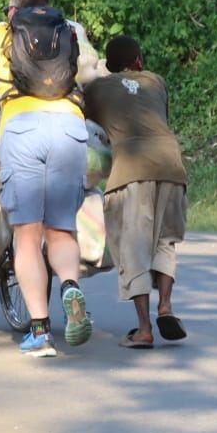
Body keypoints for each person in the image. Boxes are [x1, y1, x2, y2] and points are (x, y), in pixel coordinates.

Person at [0, 0, 91, 358]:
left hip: (23, 129)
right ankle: (70, 287)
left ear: (13, 10)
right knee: (60, 229)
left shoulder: (1, 33)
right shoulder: (67, 32)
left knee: (28, 236)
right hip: (70, 128)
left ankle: (40, 332)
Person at [83, 36, 189, 349]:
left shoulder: (96, 89)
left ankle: (144, 330)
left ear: (109, 65)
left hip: (130, 170)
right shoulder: (156, 82)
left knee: (134, 248)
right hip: (171, 164)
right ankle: (165, 306)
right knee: (164, 240)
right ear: (139, 61)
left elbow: (91, 127)